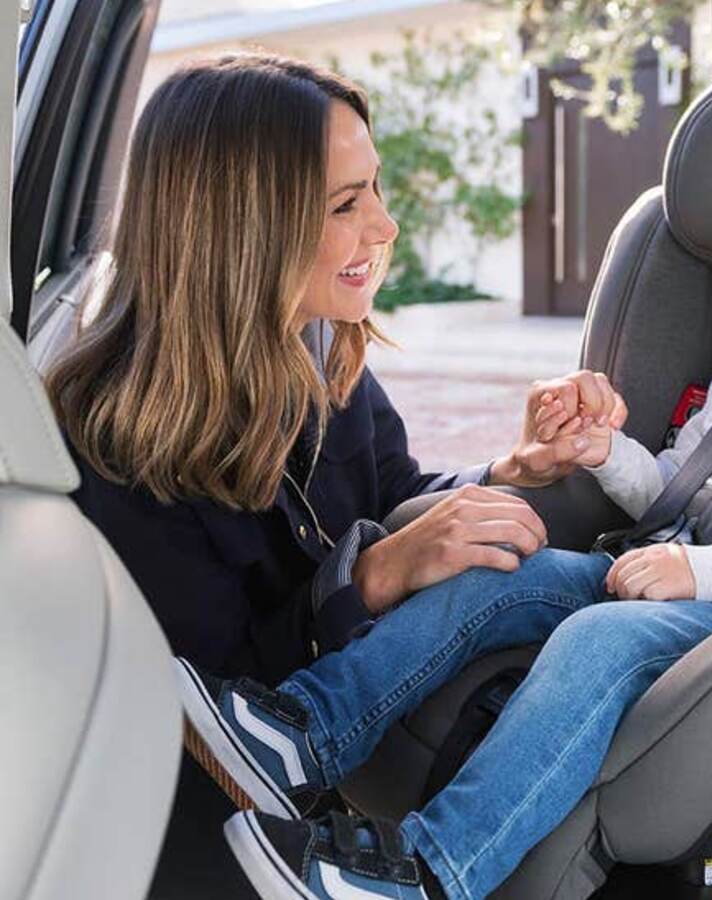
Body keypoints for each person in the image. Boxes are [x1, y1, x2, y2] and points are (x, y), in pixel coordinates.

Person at [181, 140, 712, 900]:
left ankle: (429, 869)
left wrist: (699, 572)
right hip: (654, 567)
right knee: (499, 571)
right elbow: (670, 491)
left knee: (599, 637)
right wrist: (601, 450)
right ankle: (301, 732)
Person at [44, 53, 623, 889]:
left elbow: (395, 500)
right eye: (347, 205)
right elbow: (214, 730)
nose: (385, 228)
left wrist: (514, 467)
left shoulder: (319, 351)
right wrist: (372, 579)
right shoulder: (111, 446)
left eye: (376, 191)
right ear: (243, 226)